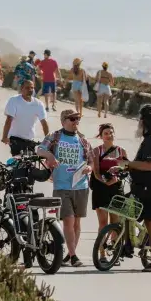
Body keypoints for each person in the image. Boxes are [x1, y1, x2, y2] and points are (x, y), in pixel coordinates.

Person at [118, 104, 151, 272]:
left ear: (145, 121)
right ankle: (129, 244)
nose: (138, 123)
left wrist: (127, 164)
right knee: (132, 213)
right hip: (147, 187)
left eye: (140, 119)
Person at [36, 110, 93, 267]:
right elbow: (39, 149)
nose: (76, 122)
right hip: (61, 185)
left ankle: (69, 254)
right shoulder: (54, 137)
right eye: (73, 119)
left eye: (78, 119)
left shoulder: (82, 140)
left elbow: (91, 160)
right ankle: (74, 256)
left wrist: (89, 167)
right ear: (63, 121)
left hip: (81, 184)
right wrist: (49, 156)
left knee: (77, 222)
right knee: (68, 220)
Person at [91, 123, 128, 265]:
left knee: (115, 222)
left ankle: (115, 252)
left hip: (116, 189)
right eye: (106, 133)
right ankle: (101, 253)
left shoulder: (121, 151)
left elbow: (126, 169)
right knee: (102, 223)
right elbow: (96, 172)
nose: (109, 135)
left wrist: (115, 179)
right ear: (101, 136)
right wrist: (105, 182)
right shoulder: (96, 151)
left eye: (111, 132)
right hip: (101, 190)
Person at [2, 80, 49, 156]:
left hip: (30, 139)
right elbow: (9, 120)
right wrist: (4, 137)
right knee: (18, 161)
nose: (30, 90)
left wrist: (48, 141)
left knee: (29, 163)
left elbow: (44, 123)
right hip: (15, 139)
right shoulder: (14, 100)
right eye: (27, 88)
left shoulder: (38, 104)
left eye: (32, 88)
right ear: (22, 89)